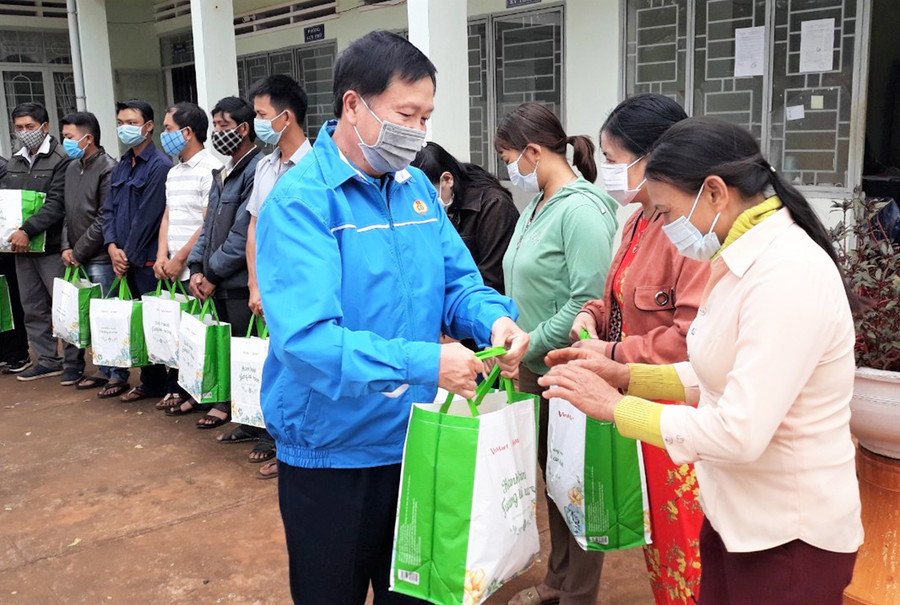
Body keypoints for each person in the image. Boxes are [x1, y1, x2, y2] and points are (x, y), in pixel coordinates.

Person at [540, 117, 864, 605]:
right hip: (736, 518)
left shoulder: (787, 273)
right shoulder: (740, 258)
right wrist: (627, 375)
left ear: (714, 192)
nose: (664, 228)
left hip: (788, 536)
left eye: (667, 212)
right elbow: (719, 373)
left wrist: (614, 407)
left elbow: (739, 430)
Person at [255, 31, 530, 604]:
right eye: (407, 114)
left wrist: (493, 322)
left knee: (420, 593)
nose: (419, 132)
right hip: (334, 451)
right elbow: (308, 341)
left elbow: (459, 283)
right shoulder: (304, 202)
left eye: (426, 116)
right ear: (354, 105)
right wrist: (428, 363)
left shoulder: (415, 191)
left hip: (419, 439)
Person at [567, 94, 707, 605]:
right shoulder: (634, 221)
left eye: (613, 158)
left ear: (654, 159)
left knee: (685, 547)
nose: (606, 169)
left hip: (675, 404)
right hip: (634, 400)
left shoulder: (690, 235)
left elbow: (689, 336)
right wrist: (590, 317)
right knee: (656, 544)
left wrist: (614, 354)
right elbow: (615, 299)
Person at [496, 102, 618, 605]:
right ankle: (558, 579)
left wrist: (534, 341)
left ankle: (579, 592)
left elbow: (584, 299)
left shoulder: (581, 209)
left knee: (577, 485)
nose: (508, 169)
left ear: (533, 151)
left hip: (566, 369)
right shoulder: (538, 204)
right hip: (532, 367)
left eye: (508, 157)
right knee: (552, 481)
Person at [231, 74, 311, 477]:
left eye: (262, 114)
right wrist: (255, 284)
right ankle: (279, 440)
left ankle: (297, 448)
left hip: (305, 288)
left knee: (305, 367)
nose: (258, 122)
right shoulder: (264, 167)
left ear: (286, 116)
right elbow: (253, 228)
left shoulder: (317, 167)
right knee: (276, 365)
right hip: (270, 288)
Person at [186, 96, 262, 435]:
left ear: (244, 129)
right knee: (232, 352)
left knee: (252, 355)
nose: (217, 133)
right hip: (216, 281)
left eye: (224, 126)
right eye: (215, 126)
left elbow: (243, 232)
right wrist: (196, 268)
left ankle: (261, 428)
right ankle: (240, 416)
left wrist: (213, 273)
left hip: (239, 282)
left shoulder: (257, 169)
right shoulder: (223, 171)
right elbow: (209, 227)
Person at [153, 102, 223, 421]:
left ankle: (210, 395)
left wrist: (181, 258)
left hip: (193, 267)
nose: (163, 134)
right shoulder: (173, 171)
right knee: (180, 338)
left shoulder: (211, 168)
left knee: (202, 336)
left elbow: (207, 222)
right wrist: (161, 256)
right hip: (170, 268)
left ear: (187, 132)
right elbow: (168, 215)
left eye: (167, 129)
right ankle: (189, 391)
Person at [0, 102, 78, 383]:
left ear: (45, 127)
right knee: (32, 306)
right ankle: (47, 358)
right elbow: (8, 202)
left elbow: (58, 204)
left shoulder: (62, 158)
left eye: (29, 127)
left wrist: (27, 229)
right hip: (21, 248)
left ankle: (72, 362)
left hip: (53, 245)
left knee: (62, 307)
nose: (24, 132)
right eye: (19, 128)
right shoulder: (15, 161)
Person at [101, 99, 173, 402]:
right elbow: (108, 210)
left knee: (157, 322)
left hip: (144, 261)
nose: (124, 129)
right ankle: (148, 381)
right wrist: (111, 246)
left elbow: (148, 216)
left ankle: (168, 384)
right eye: (120, 123)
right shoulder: (121, 165)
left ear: (148, 126)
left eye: (131, 123)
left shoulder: (160, 166)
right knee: (136, 322)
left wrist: (125, 255)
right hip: (124, 258)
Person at [58, 111, 129, 395]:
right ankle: (102, 369)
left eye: (69, 137)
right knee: (90, 319)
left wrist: (79, 250)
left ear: (88, 138)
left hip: (98, 257)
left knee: (108, 315)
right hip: (76, 256)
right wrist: (66, 247)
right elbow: (68, 212)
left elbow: (103, 218)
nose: (66, 143)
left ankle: (118, 373)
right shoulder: (72, 168)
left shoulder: (108, 168)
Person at [411, 141, 519, 293]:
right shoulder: (438, 210)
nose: (424, 206)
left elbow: (492, 279)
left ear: (448, 180)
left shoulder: (494, 206)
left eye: (427, 196)